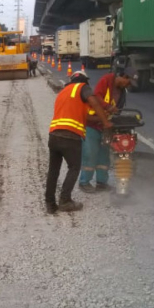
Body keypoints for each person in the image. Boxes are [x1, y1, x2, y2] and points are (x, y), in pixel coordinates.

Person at [45, 71, 113, 214]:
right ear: (84, 80)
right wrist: (106, 122)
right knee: (74, 168)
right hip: (70, 137)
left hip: (54, 136)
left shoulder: (64, 92)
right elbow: (94, 102)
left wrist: (100, 119)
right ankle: (65, 201)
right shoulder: (82, 87)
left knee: (53, 171)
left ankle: (50, 204)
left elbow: (86, 118)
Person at [78, 68, 134, 193]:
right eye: (128, 82)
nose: (128, 86)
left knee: (104, 155)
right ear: (124, 76)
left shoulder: (122, 91)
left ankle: (101, 183)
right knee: (90, 153)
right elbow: (97, 96)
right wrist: (108, 107)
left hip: (106, 126)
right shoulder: (107, 79)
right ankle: (84, 182)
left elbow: (118, 108)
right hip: (92, 124)